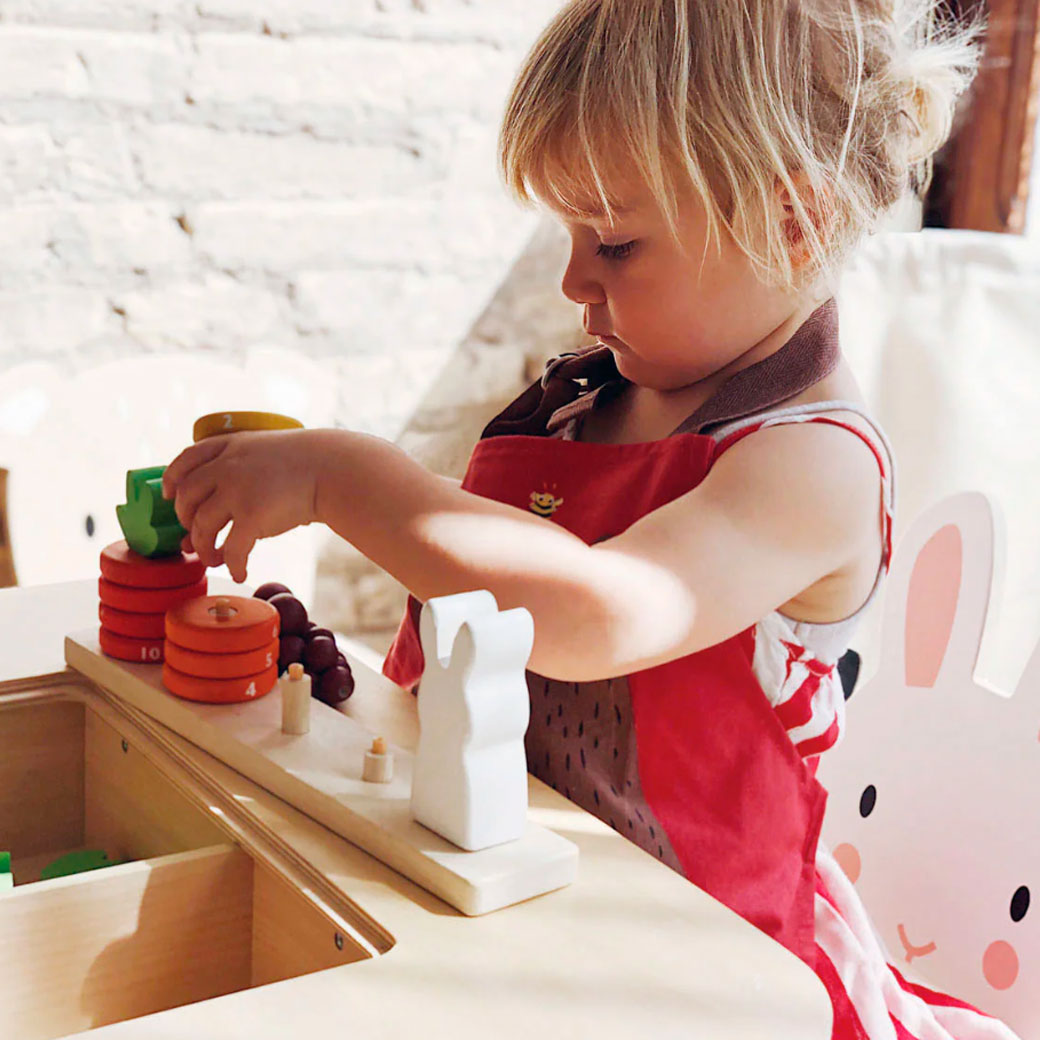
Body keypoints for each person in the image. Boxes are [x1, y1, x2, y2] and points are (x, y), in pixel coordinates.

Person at [161, 2, 1022, 1036]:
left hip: (702, 975)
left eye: (612, 242)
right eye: (566, 232)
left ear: (790, 222)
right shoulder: (578, 404)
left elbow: (600, 615)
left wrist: (348, 479)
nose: (573, 281)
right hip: (505, 907)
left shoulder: (811, 462)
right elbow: (471, 662)